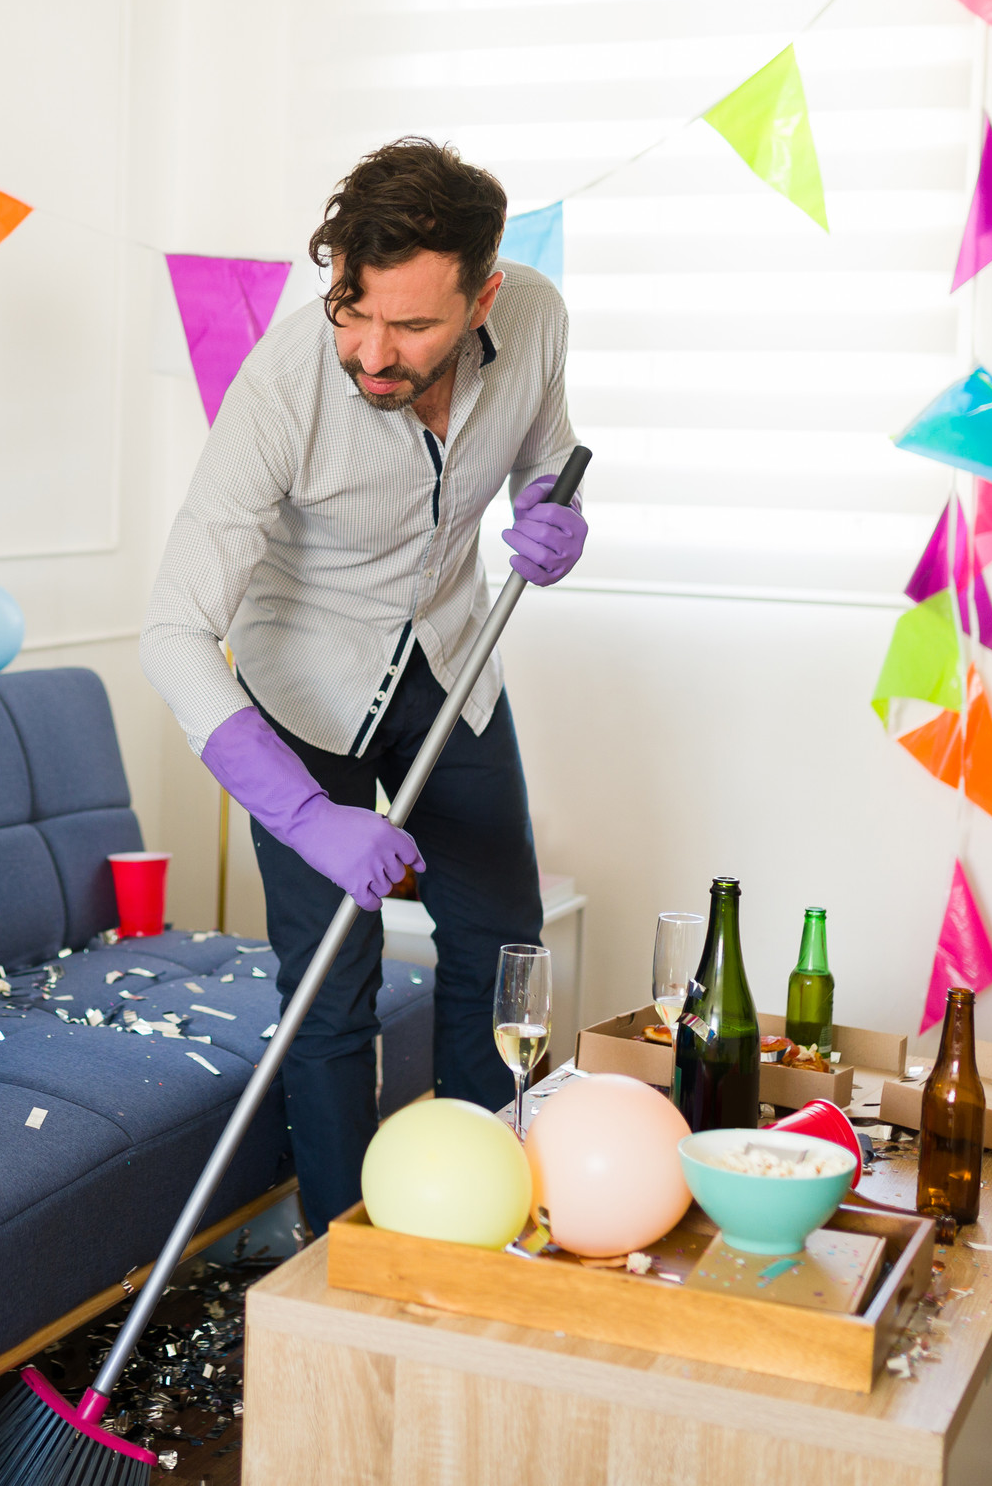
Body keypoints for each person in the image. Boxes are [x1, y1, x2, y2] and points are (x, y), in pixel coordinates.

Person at [139, 137, 585, 1228]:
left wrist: (551, 511)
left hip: (450, 660)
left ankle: (477, 1214)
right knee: (332, 991)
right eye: (354, 308)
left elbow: (547, 449)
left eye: (413, 325)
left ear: (483, 295)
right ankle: (343, 1254)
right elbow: (172, 631)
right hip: (303, 691)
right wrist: (305, 815)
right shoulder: (285, 389)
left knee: (501, 945)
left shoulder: (535, 317)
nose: (372, 352)